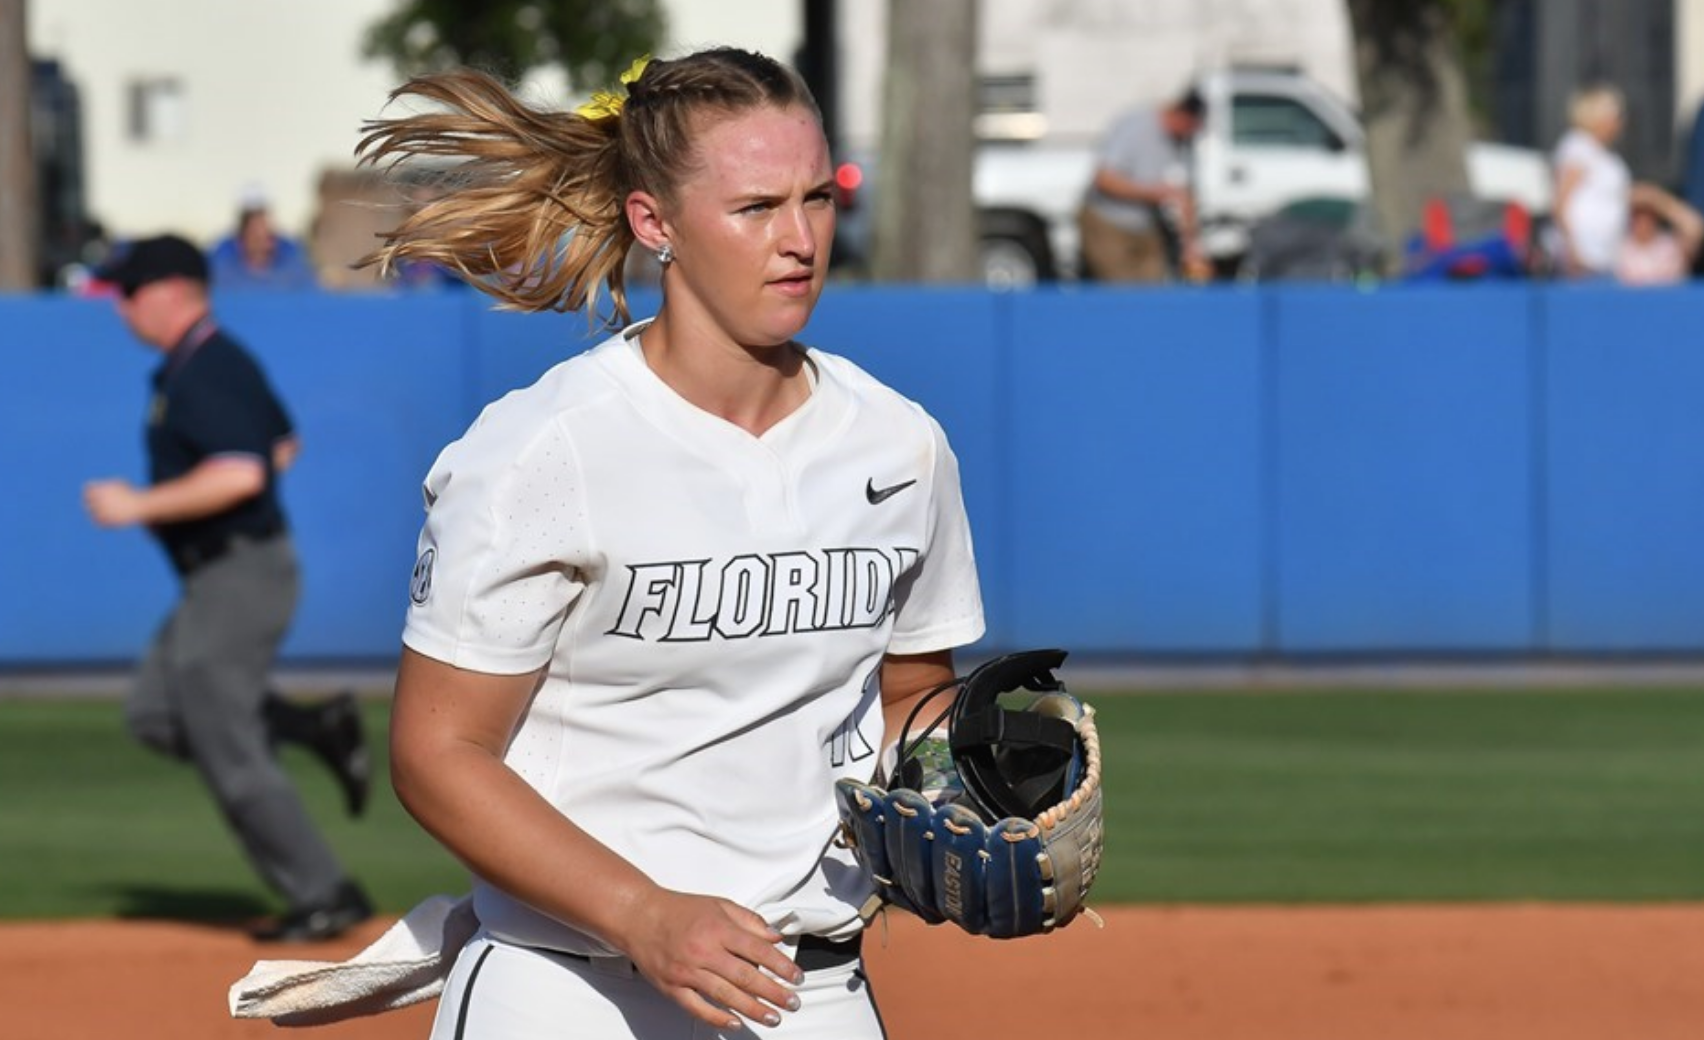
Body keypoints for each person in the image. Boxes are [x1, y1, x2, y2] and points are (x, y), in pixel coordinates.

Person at [357, 47, 985, 1038]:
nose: (799, 239)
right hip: (573, 989)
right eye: (756, 206)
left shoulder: (899, 444)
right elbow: (438, 750)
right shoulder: (545, 450)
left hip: (811, 991)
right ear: (655, 222)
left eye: (818, 197)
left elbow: (912, 694)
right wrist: (641, 911)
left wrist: (978, 780)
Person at [82, 234, 373, 942]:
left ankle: (326, 893)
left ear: (168, 291)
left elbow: (244, 470)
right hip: (223, 574)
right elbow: (280, 444)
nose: (120, 308)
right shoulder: (202, 363)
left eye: (127, 293)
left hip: (242, 570)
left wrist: (137, 507)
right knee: (155, 712)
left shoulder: (207, 367)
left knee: (226, 744)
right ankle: (313, 727)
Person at [1077, 85, 1208, 283]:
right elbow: (1104, 179)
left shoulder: (1183, 142)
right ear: (1180, 115)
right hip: (1108, 222)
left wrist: (1192, 247)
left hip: (1146, 226)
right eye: (1190, 126)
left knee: (1152, 290)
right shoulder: (1137, 127)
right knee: (1123, 294)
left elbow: (1184, 195)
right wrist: (1153, 193)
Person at [1547, 84, 1632, 279]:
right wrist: (1572, 251)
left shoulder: (1607, 156)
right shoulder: (1578, 147)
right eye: (1616, 116)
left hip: (1606, 258)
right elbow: (1560, 204)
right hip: (1582, 260)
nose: (1620, 122)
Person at [208, 191, 320, 290]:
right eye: (256, 237)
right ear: (240, 241)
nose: (264, 244)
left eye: (268, 237)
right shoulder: (220, 267)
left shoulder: (294, 266)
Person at [1615, 181, 1703, 286]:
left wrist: (1656, 199)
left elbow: (1696, 227)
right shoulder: (1618, 248)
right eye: (1637, 215)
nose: (1642, 221)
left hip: (1671, 301)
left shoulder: (1672, 246)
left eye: (1647, 215)